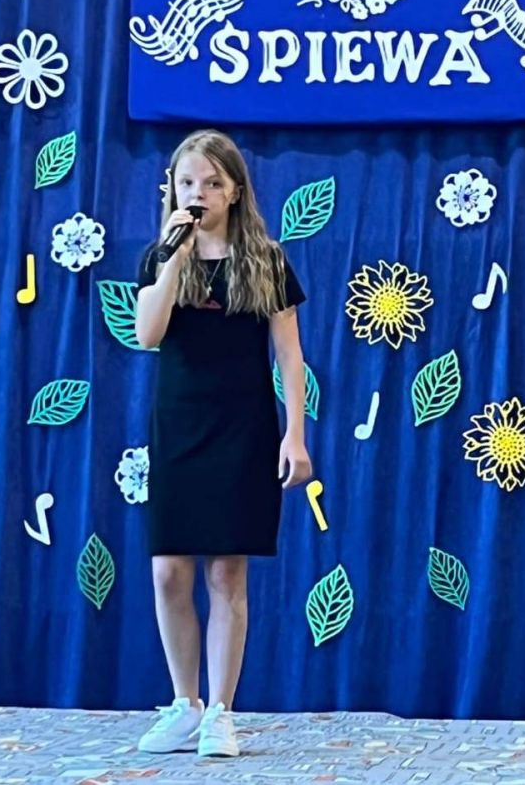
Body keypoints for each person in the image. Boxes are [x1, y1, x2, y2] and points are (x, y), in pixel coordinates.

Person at [133, 129, 312, 758]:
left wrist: (295, 434)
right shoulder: (161, 256)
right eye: (188, 182)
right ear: (172, 188)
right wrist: (175, 254)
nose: (199, 193)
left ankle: (221, 713)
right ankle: (184, 704)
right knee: (167, 570)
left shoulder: (266, 259)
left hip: (243, 426)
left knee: (226, 570)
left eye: (213, 183)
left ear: (235, 190)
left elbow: (290, 356)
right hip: (179, 426)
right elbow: (147, 334)